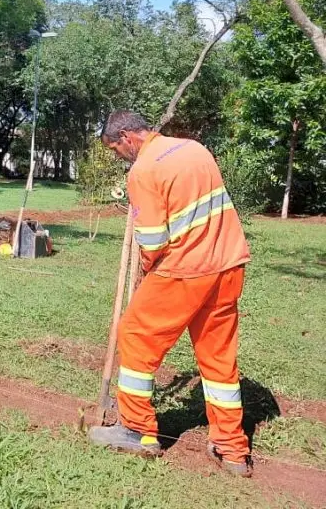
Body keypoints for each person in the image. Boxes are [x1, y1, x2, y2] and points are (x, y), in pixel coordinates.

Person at [88, 111, 252, 477]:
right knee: (217, 357)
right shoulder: (195, 150)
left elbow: (152, 240)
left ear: (127, 136)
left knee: (135, 335)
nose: (119, 156)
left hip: (185, 270)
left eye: (116, 149)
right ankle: (232, 449)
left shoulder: (144, 171)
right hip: (229, 264)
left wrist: (148, 272)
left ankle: (136, 430)